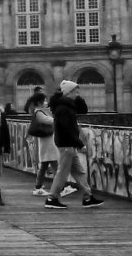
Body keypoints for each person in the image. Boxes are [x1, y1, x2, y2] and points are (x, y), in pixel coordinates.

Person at [44, 81, 104, 210]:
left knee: (78, 171)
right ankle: (52, 198)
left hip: (68, 144)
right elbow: (67, 128)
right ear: (68, 92)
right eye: (76, 92)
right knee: (62, 172)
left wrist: (78, 98)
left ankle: (87, 197)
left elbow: (83, 110)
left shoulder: (67, 105)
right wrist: (79, 143)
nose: (78, 94)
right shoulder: (63, 108)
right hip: (66, 144)